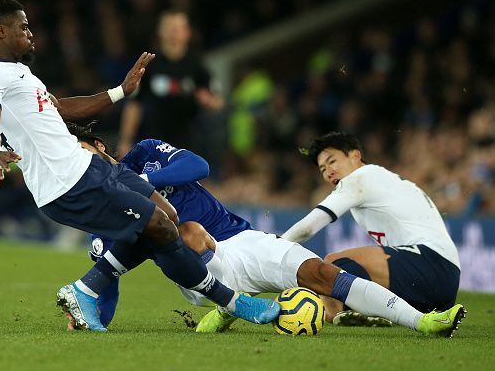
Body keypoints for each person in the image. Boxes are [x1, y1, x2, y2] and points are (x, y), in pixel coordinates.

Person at [0, 0, 281, 333]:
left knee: (168, 219)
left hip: (91, 165)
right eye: (23, 27)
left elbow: (60, 109)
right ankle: (234, 302)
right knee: (159, 229)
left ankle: (86, 289)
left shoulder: (21, 73)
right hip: (68, 181)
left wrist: (120, 91)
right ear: (0, 30)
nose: (31, 33)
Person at [67, 123, 466, 337]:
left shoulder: (148, 152)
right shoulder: (104, 205)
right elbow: (110, 273)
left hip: (243, 238)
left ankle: (423, 321)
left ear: (99, 145)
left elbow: (199, 167)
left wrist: (141, 185)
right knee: (186, 229)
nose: (86, 168)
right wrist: (93, 319)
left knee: (323, 273)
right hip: (201, 264)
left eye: (84, 155)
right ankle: (230, 303)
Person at [282, 131, 462, 326]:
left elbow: (308, 228)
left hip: (432, 264)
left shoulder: (361, 177)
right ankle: (363, 313)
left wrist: (271, 248)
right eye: (323, 169)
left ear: (355, 156)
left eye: (332, 161)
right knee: (353, 280)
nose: (328, 172)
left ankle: (333, 313)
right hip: (441, 288)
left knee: (333, 263)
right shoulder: (379, 178)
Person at [117, 10, 223, 158]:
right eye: (170, 28)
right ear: (160, 31)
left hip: (192, 142)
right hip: (157, 142)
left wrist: (209, 101)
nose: (174, 33)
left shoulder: (197, 64)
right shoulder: (150, 64)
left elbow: (218, 103)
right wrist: (125, 140)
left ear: (188, 32)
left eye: (179, 28)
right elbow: (134, 104)